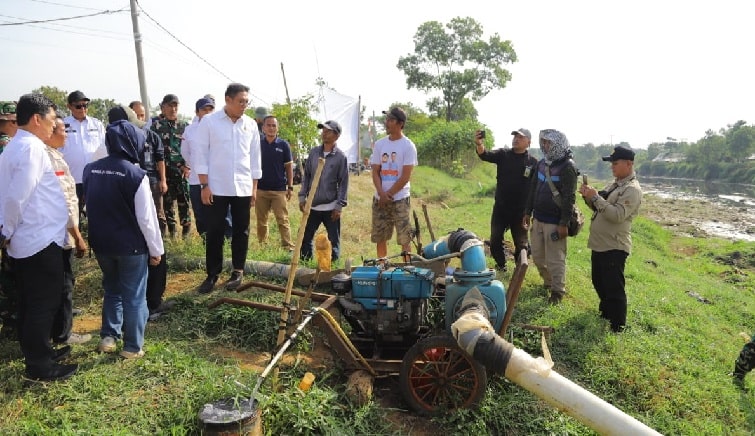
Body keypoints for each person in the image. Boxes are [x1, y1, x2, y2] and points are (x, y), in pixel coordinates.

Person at [0, 93, 77, 381]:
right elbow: (17, 198)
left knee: (34, 303)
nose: (54, 125)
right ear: (36, 119)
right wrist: (5, 231)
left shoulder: (16, 147)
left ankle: (41, 352)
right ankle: (40, 367)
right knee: (40, 306)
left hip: (33, 239)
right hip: (38, 241)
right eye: (51, 119)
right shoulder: (31, 148)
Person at [83, 119, 164, 359]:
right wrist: (156, 250)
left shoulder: (90, 169)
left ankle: (108, 337)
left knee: (112, 289)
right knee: (135, 295)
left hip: (101, 244)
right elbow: (147, 219)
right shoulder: (135, 174)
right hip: (130, 247)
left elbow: (89, 205)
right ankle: (132, 347)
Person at [193, 83, 262, 293]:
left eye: (246, 102)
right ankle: (212, 274)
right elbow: (201, 154)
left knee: (241, 231)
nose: (244, 105)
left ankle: (237, 271)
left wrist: (254, 188)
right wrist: (204, 184)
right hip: (216, 187)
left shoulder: (250, 125)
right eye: (241, 101)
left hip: (242, 186)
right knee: (215, 231)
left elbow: (254, 158)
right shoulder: (209, 122)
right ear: (228, 100)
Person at [107, 105, 172, 321]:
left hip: (123, 212)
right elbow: (147, 220)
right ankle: (149, 305)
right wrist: (156, 248)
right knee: (151, 244)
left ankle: (145, 303)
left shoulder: (104, 149)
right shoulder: (132, 167)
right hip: (137, 193)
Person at [579, 144, 642, 331]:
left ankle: (618, 326)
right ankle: (605, 314)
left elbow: (617, 215)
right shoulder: (615, 184)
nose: (612, 166)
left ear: (629, 164)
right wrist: (588, 197)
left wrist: (596, 197)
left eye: (615, 163)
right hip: (600, 244)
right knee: (599, 281)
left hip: (614, 246)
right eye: (611, 163)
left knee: (614, 289)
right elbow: (600, 209)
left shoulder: (632, 189)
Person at [43, 112, 91, 346]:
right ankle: (62, 335)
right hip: (59, 235)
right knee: (64, 285)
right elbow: (66, 205)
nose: (66, 136)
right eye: (63, 131)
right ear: (51, 132)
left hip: (52, 234)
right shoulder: (50, 160)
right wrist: (78, 237)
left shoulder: (54, 156)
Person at [523, 129, 578, 305]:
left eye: (549, 143)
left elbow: (569, 197)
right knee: (538, 256)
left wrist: (564, 223)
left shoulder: (567, 167)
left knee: (555, 259)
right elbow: (533, 189)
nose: (545, 146)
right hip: (538, 219)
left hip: (555, 222)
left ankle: (557, 291)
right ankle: (548, 282)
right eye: (543, 142)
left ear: (558, 144)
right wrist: (527, 211)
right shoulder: (541, 164)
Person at [475, 128, 538, 272]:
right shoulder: (503, 155)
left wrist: (531, 211)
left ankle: (520, 268)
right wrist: (479, 143)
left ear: (528, 142)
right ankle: (501, 265)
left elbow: (537, 187)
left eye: (520, 137)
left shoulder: (533, 163)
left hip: (521, 211)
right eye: (515, 136)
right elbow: (484, 155)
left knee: (521, 243)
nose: (516, 139)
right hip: (501, 208)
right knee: (495, 239)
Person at [370, 107, 417, 259]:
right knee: (381, 237)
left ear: (400, 123)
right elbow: (375, 171)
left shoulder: (408, 146)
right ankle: (382, 268)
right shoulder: (380, 144)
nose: (387, 123)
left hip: (400, 199)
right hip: (380, 199)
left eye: (391, 120)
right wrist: (381, 194)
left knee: (404, 238)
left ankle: (407, 270)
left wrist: (389, 194)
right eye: (387, 119)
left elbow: (405, 177)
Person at [298, 120, 349, 261]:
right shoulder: (314, 153)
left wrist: (339, 206)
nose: (324, 133)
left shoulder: (340, 157)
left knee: (333, 240)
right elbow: (307, 176)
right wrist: (302, 197)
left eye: (328, 131)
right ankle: (305, 264)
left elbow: (343, 183)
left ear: (336, 136)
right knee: (305, 236)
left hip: (331, 206)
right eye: (323, 130)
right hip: (312, 205)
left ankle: (333, 268)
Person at [61, 90, 106, 221]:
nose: (82, 109)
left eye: (85, 105)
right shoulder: (63, 125)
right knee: (73, 215)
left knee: (96, 214)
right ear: (69, 106)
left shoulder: (96, 124)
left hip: (94, 177)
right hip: (72, 178)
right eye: (78, 106)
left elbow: (104, 147)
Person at [150, 94, 190, 238]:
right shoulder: (156, 127)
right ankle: (172, 234)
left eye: (175, 106)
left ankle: (186, 233)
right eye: (170, 106)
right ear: (163, 108)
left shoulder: (185, 126)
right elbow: (153, 151)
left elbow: (192, 148)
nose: (173, 109)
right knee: (167, 205)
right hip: (164, 173)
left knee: (184, 202)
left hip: (182, 172)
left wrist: (188, 167)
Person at [257, 115, 295, 250]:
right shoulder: (258, 144)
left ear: (277, 128)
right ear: (263, 128)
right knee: (262, 221)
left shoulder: (283, 145)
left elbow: (289, 167)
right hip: (260, 189)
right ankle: (263, 245)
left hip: (279, 190)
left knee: (282, 219)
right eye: (269, 125)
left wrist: (290, 186)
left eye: (274, 125)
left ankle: (288, 246)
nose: (271, 128)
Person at [182, 97, 216, 238]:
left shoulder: (219, 128)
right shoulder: (190, 130)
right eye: (204, 110)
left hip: (216, 181)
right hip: (196, 180)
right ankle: (205, 241)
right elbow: (185, 152)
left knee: (219, 214)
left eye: (210, 109)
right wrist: (196, 165)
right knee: (200, 214)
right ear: (197, 112)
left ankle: (222, 243)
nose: (207, 113)